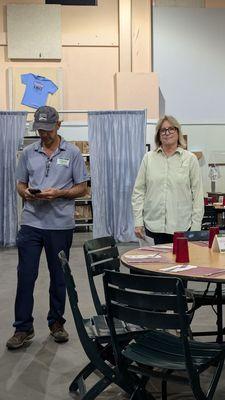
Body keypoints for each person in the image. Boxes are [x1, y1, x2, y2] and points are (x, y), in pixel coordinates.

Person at [7, 106, 88, 349]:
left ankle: (56, 323)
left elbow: (82, 187)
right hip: (31, 223)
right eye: (40, 130)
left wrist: (60, 193)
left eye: (48, 130)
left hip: (60, 225)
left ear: (59, 125)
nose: (44, 134)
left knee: (59, 276)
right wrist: (27, 194)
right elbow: (20, 184)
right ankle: (23, 327)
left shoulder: (72, 153)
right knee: (25, 275)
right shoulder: (29, 153)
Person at [132, 115, 204, 245]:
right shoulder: (148, 159)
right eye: (163, 130)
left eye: (171, 129)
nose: (167, 133)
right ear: (159, 135)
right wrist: (138, 221)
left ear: (178, 132)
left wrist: (195, 228)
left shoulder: (190, 159)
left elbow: (198, 196)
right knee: (152, 265)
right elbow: (138, 192)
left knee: (181, 265)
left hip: (182, 228)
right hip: (152, 228)